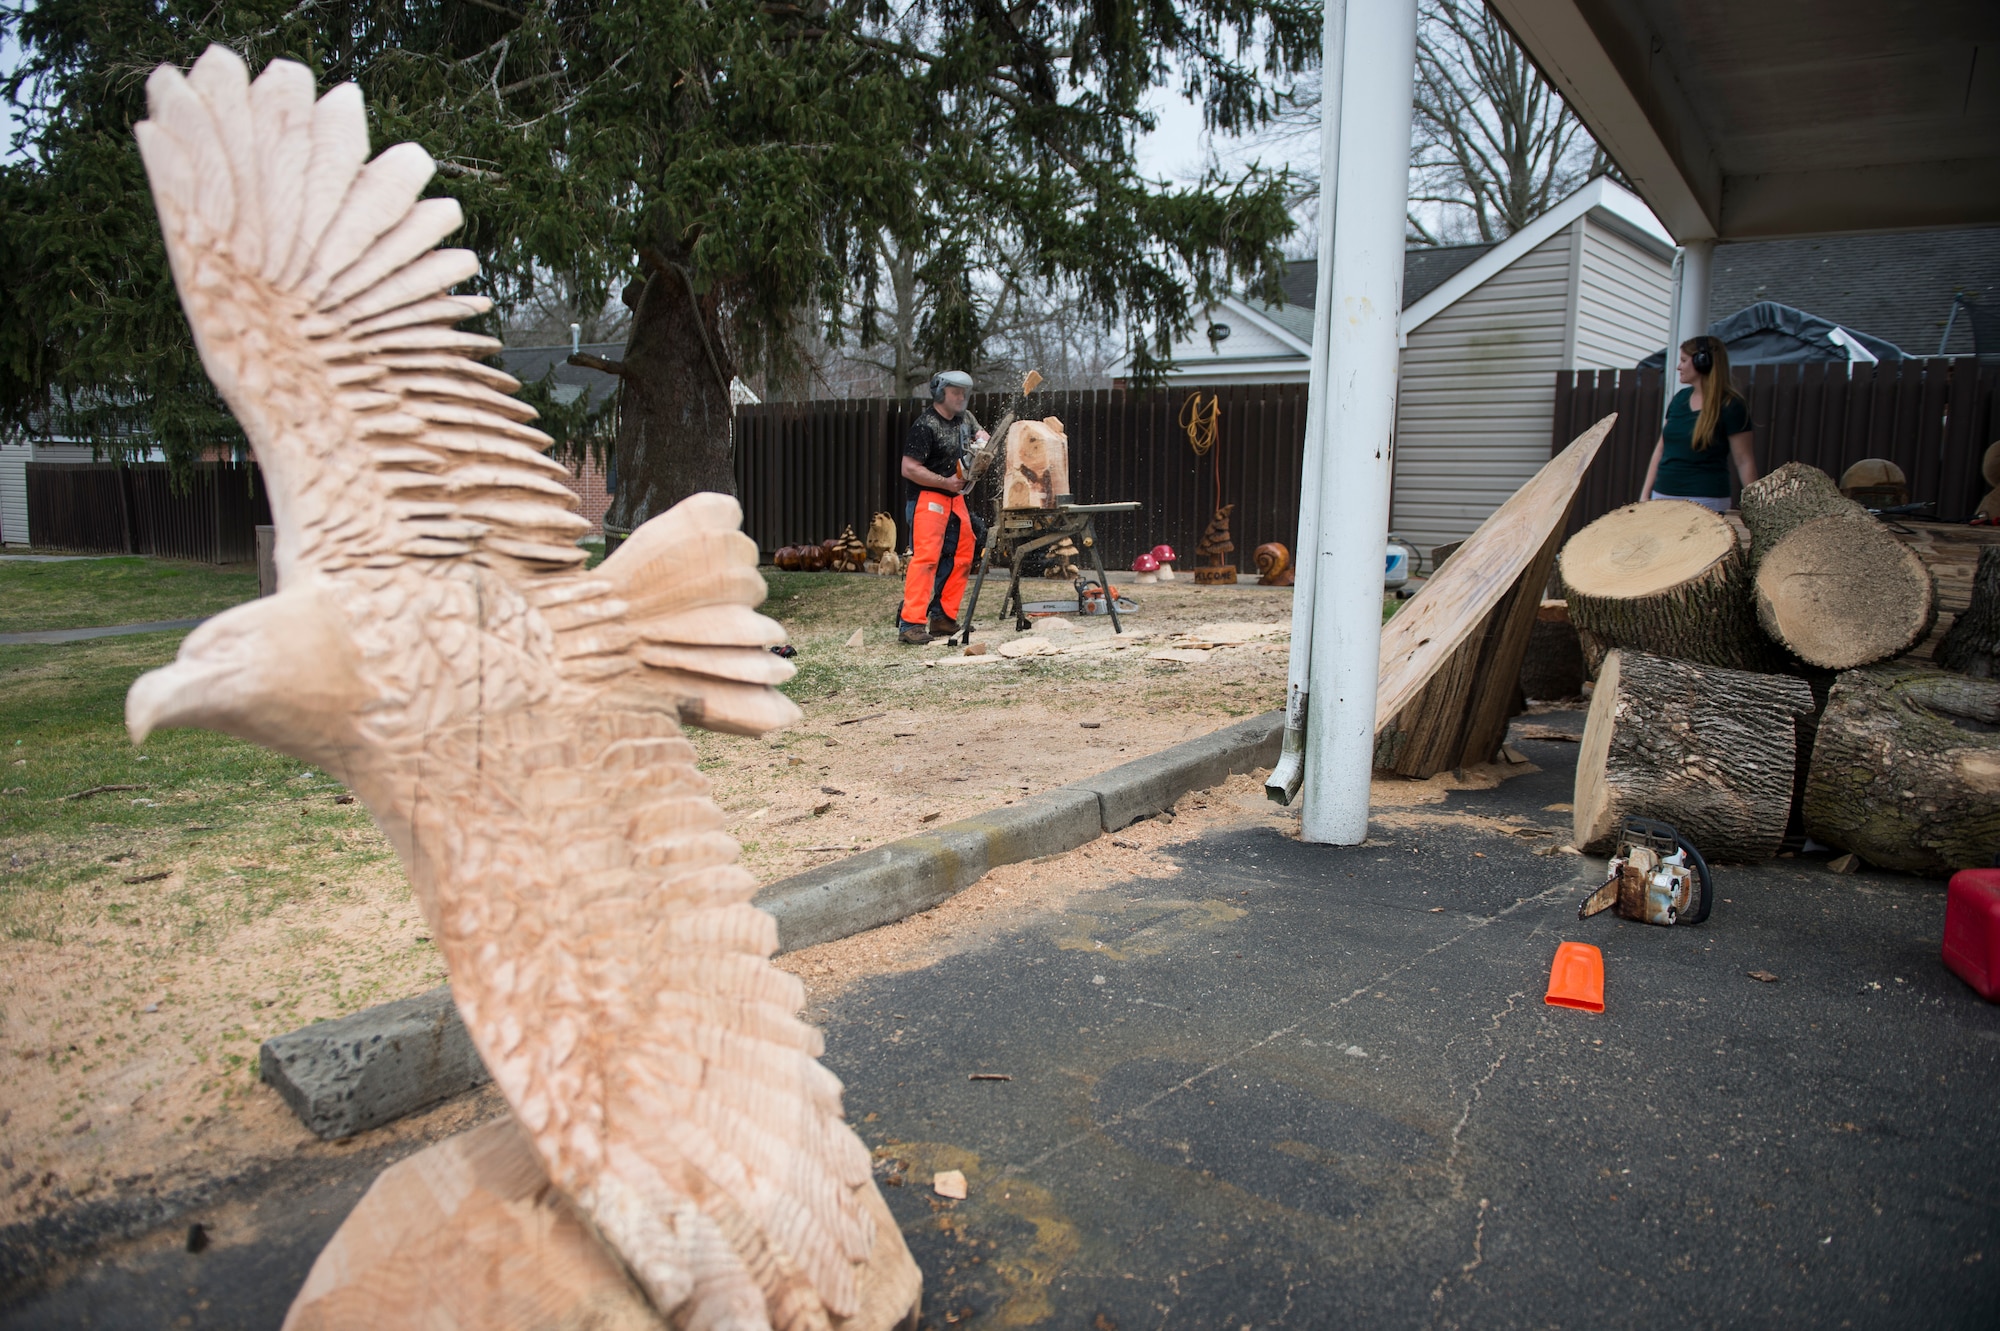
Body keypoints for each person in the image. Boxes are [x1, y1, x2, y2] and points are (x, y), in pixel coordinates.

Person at [898, 371, 989, 644]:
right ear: (940, 393)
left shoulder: (965, 418)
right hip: (929, 496)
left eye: (964, 392)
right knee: (926, 559)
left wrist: (982, 444)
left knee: (963, 554)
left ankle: (943, 617)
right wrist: (944, 482)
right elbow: (909, 468)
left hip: (955, 496)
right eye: (955, 392)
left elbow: (981, 434)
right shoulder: (925, 426)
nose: (961, 397)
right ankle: (910, 624)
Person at [1639, 335, 1758, 510]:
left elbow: (1744, 460)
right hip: (1662, 497)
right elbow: (1661, 449)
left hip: (1706, 501)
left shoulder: (1731, 405)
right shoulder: (1679, 400)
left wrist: (1756, 506)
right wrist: (1645, 494)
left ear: (1703, 362)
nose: (1679, 366)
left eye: (1684, 360)